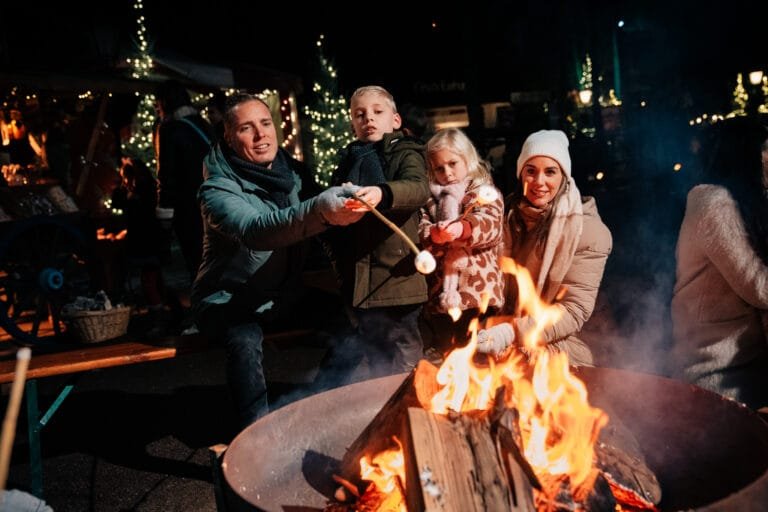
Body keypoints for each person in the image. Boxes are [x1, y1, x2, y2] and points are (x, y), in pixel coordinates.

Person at [191, 93, 362, 431]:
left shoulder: (294, 176)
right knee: (244, 340)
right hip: (229, 300)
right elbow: (257, 231)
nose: (261, 135)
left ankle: (314, 411)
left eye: (266, 123)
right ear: (228, 136)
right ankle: (257, 436)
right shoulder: (217, 190)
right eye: (246, 128)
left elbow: (325, 227)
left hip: (282, 296)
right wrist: (318, 210)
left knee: (354, 329)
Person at [476, 129, 612, 365]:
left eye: (550, 172)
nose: (539, 182)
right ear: (521, 175)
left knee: (520, 360)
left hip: (567, 342)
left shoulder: (587, 232)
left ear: (564, 177)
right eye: (531, 171)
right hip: (505, 330)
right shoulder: (505, 219)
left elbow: (573, 309)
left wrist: (511, 333)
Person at [323, 85, 430, 379]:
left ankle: (410, 398)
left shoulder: (405, 152)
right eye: (360, 114)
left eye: (377, 112)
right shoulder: (348, 160)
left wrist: (383, 193)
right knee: (376, 353)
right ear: (352, 123)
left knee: (404, 347)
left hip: (397, 275)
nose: (368, 118)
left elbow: (418, 188)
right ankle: (384, 408)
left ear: (395, 120)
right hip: (359, 279)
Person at [670, 117, 768, 409]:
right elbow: (759, 287)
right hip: (716, 377)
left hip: (751, 368)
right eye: (766, 149)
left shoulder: (748, 202)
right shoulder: (713, 203)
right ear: (745, 155)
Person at [418, 128, 505, 355]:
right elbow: (423, 231)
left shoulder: (483, 192)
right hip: (442, 299)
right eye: (439, 168)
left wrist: (461, 228)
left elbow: (490, 224)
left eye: (452, 163)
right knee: (448, 353)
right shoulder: (431, 202)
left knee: (481, 355)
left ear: (467, 159)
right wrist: (435, 236)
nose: (447, 172)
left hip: (479, 293)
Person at [154, 79, 214, 282]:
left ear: (164, 102)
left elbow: (166, 176)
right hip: (216, 202)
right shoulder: (203, 124)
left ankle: (206, 309)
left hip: (188, 208)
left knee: (197, 263)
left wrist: (164, 218)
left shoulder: (169, 129)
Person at [111, 156, 174, 337]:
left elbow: (131, 209)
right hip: (149, 243)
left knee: (149, 281)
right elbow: (118, 201)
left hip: (148, 244)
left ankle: (160, 319)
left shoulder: (144, 193)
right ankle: (169, 313)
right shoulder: (142, 191)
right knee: (155, 280)